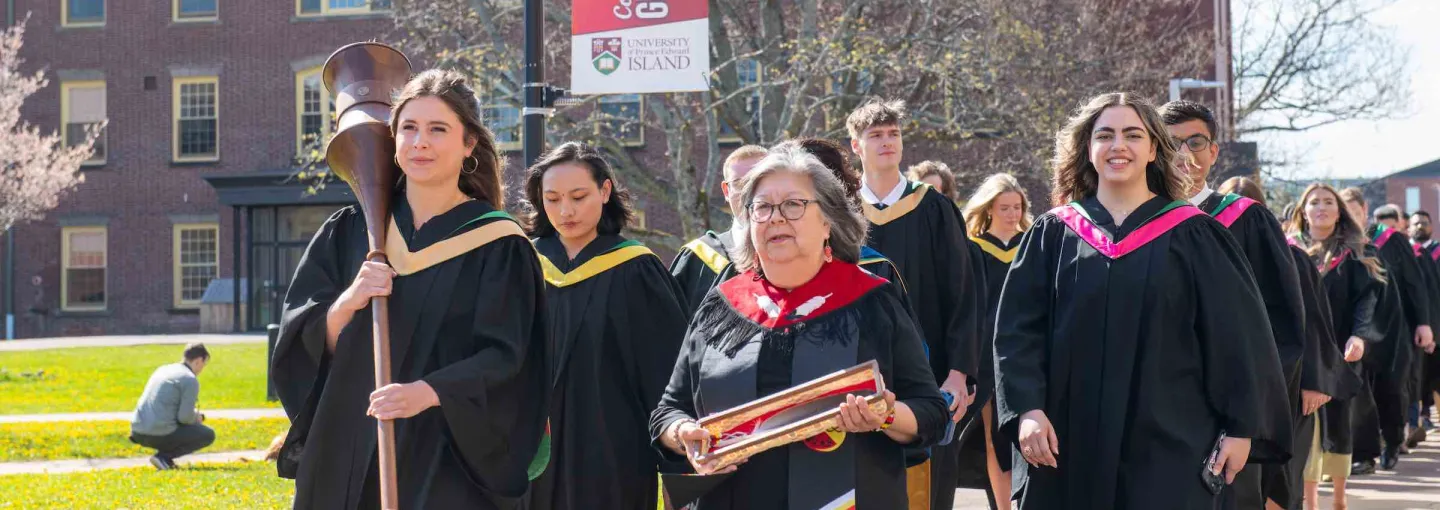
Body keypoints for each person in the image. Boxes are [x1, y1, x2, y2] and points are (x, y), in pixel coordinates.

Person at [993, 92, 1290, 510]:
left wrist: (1240, 428)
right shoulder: (1053, 234)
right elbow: (1016, 334)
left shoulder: (1194, 234)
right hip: (1066, 438)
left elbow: (1236, 338)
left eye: (1133, 135)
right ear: (1088, 148)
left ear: (1153, 149)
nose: (1119, 146)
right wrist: (1026, 409)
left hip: (1171, 439)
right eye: (1105, 135)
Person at [271, 69, 548, 510]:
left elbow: (508, 356)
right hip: (347, 440)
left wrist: (429, 392)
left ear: (468, 144)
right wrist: (348, 302)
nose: (420, 142)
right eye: (409, 128)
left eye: (438, 130)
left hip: (445, 449)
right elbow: (296, 338)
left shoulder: (496, 244)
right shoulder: (352, 231)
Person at [649, 144, 948, 509]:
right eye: (762, 207)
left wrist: (884, 415)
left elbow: (931, 412)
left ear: (827, 222)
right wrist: (684, 435)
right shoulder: (722, 306)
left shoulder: (871, 301)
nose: (776, 218)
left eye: (793, 204)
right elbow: (668, 411)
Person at [524, 142, 689, 510]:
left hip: (612, 450)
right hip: (531, 451)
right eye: (551, 199)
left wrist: (675, 453)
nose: (565, 210)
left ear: (604, 191)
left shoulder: (635, 268)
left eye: (579, 196)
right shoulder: (522, 264)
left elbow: (667, 372)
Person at [1162, 100, 1306, 510]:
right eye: (1172, 143)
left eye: (1195, 142)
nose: (1184, 154)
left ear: (1214, 152)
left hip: (1228, 408)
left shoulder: (1247, 220)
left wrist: (1254, 411)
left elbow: (1282, 324)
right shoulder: (1132, 224)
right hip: (1155, 404)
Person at [847, 99, 981, 510]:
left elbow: (963, 293)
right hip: (859, 377)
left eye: (894, 134)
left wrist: (960, 372)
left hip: (931, 372)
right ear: (856, 146)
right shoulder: (844, 212)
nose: (887, 142)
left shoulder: (934, 208)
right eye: (876, 135)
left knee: (930, 486)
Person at [1220, 177, 1351, 510]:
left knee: (1281, 478)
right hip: (1235, 385)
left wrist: (1315, 381)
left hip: (1288, 385)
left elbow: (1314, 323)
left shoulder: (1289, 254)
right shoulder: (1210, 248)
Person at [1287, 183, 1382, 510]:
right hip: (1303, 353)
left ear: (1339, 210)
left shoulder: (1355, 251)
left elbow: (1366, 298)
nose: (1322, 207)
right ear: (1303, 211)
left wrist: (1360, 335)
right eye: (1314, 202)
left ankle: (1339, 500)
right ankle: (1311, 503)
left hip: (1341, 350)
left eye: (1329, 201)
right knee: (1307, 427)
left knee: (1339, 424)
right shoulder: (1289, 250)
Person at [957, 172, 1033, 510]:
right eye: (1004, 207)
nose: (1012, 214)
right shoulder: (974, 250)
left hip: (1025, 350)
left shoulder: (1032, 244)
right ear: (989, 209)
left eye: (1017, 207)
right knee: (994, 438)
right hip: (986, 354)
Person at [1343, 195, 1432, 475]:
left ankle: (1393, 441)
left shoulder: (1390, 240)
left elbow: (1414, 283)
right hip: (1355, 330)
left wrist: (1423, 323)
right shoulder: (1340, 244)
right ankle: (1365, 454)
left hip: (1394, 327)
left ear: (1365, 210)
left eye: (1354, 211)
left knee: (1392, 389)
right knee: (1360, 394)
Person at [669, 146, 769, 316]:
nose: (749, 192)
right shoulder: (698, 259)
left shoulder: (802, 252)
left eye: (760, 181)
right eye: (740, 183)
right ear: (726, 191)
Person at [130, 343, 216, 471]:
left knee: (176, 427)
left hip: (137, 430)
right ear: (199, 361)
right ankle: (163, 457)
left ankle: (165, 460)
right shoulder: (189, 379)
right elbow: (185, 418)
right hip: (157, 432)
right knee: (207, 434)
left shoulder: (163, 369)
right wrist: (197, 418)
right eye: (204, 364)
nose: (202, 368)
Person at [1408, 210, 1440, 447]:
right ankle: (1419, 418)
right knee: (1416, 375)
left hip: (1436, 322)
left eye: (1424, 222)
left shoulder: (1437, 251)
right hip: (1412, 327)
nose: (1420, 226)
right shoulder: (1404, 252)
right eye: (1416, 222)